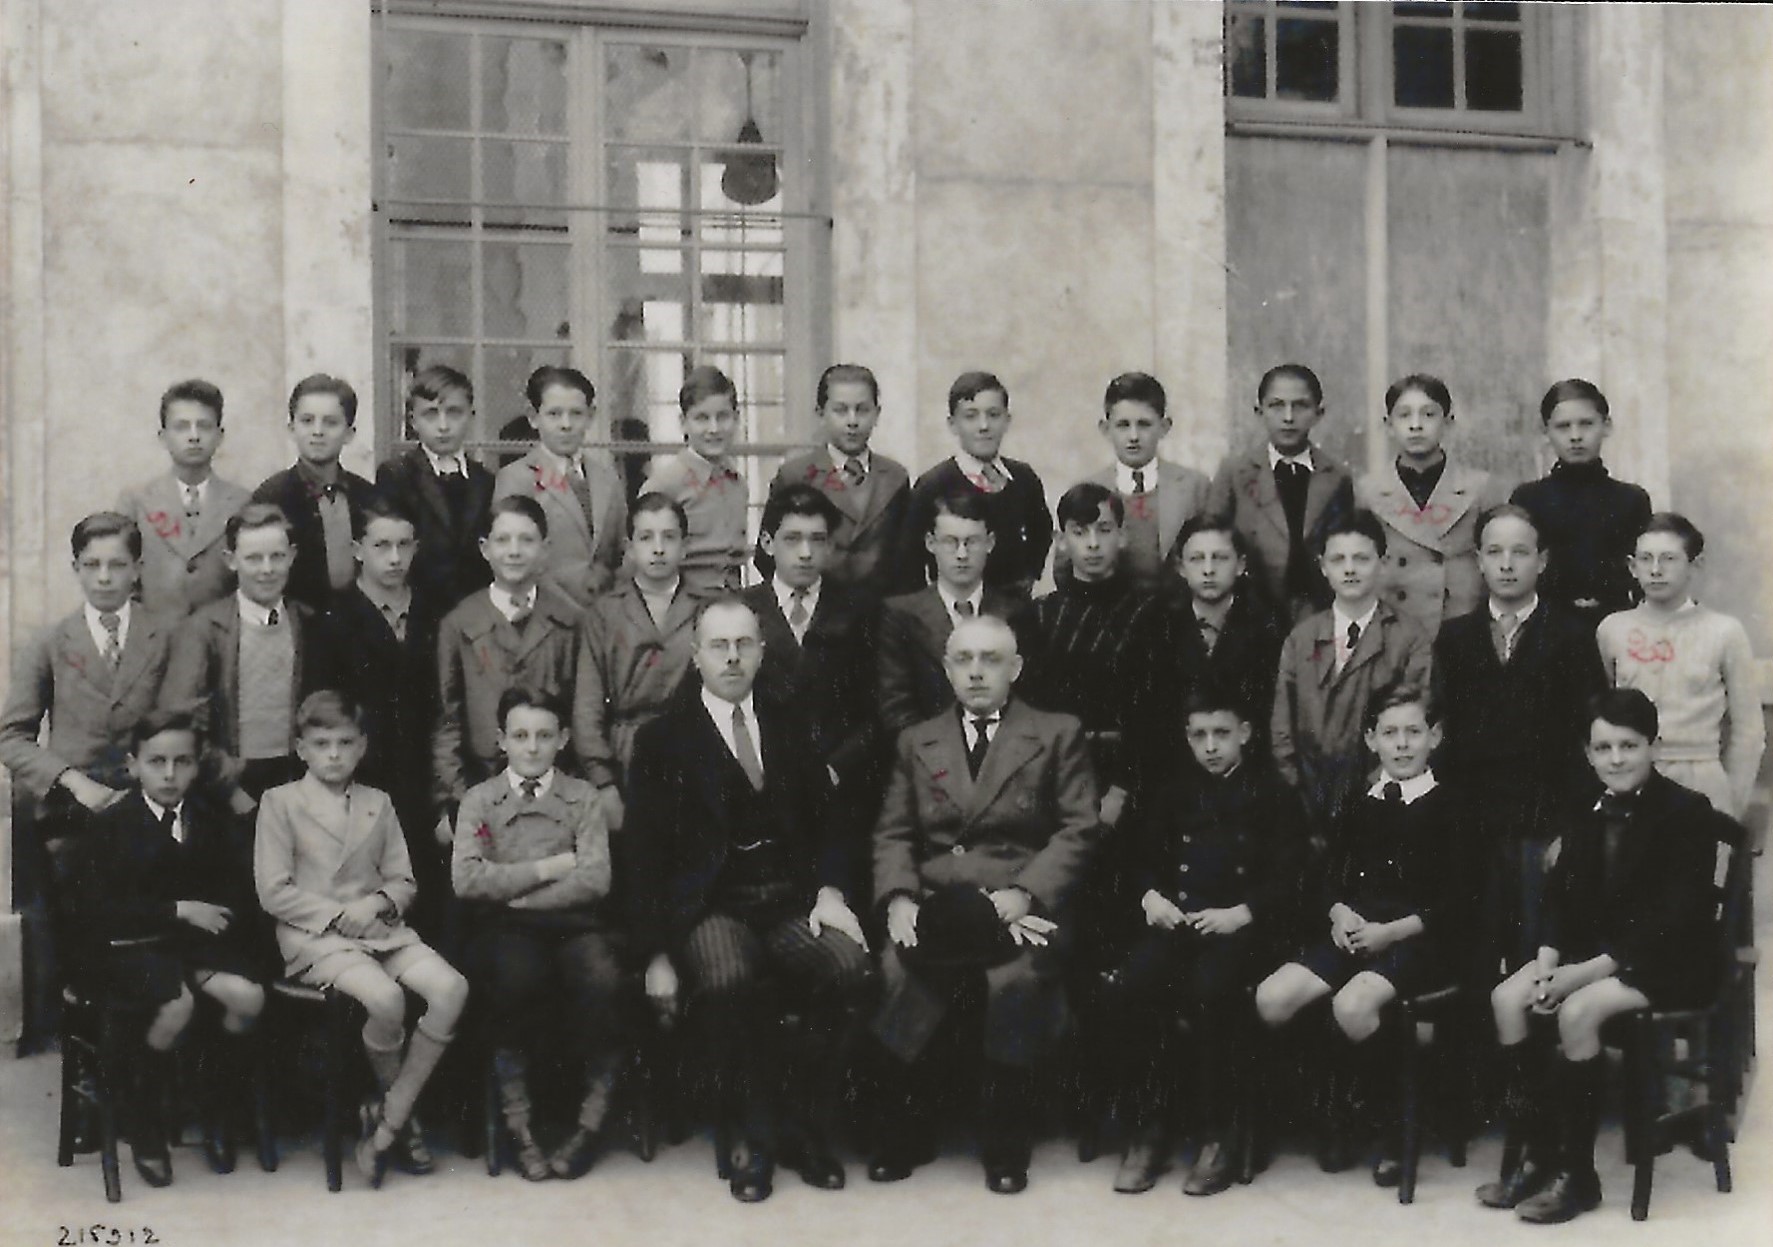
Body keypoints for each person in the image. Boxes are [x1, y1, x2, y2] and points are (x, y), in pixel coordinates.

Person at [627, 598, 872, 1203]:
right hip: (712, 906)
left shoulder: (791, 724)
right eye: (719, 646)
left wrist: (832, 892)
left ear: (762, 651)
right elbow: (643, 858)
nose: (732, 657)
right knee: (729, 980)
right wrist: (655, 953)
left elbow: (832, 823)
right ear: (696, 655)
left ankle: (802, 1122)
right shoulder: (662, 740)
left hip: (790, 900)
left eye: (744, 644)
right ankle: (753, 1135)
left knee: (851, 970)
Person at [869, 614, 1104, 1194]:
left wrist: (1024, 893)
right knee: (900, 971)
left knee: (1014, 982)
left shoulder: (1056, 732)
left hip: (1022, 903)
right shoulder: (916, 740)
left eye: (991, 659)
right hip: (937, 904)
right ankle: (906, 1131)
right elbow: (894, 833)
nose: (977, 672)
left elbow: (1080, 828)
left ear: (1015, 668)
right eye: (964, 660)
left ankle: (1005, 1143)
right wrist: (898, 898)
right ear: (948, 670)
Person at [1479, 689, 1731, 1223]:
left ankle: (1579, 1176)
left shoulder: (1688, 812)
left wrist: (1578, 977)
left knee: (1577, 1010)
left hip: (1668, 963)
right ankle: (1539, 1154)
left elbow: (1674, 919)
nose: (1615, 759)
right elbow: (1559, 894)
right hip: (1591, 955)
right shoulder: (1585, 807)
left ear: (1653, 747)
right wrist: (1548, 959)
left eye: (1629, 746)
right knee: (1507, 997)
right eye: (1603, 747)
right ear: (1588, 753)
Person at [1255, 684, 1474, 1185]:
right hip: (1354, 932)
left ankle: (1393, 1120)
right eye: (1390, 733)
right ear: (1371, 739)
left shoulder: (1453, 805)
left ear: (1434, 737)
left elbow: (1460, 901)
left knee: (1353, 1006)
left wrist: (1390, 932)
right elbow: (1328, 874)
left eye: (1413, 733)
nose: (1402, 745)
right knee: (1273, 997)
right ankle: (1333, 1104)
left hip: (1419, 939)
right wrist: (1337, 913)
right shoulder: (1358, 799)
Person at [255, 691, 469, 1188]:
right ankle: (404, 1126)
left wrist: (376, 905)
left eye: (345, 743)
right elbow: (273, 890)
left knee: (451, 988)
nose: (334, 754)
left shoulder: (378, 802)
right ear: (301, 748)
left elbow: (404, 880)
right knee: (385, 998)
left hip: (380, 929)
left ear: (362, 747)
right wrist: (338, 916)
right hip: (317, 939)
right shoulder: (280, 802)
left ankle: (390, 1120)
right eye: (322, 743)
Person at [1098, 685, 1305, 1197]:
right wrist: (1150, 897)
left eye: (1221, 734)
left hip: (1244, 932)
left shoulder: (1273, 793)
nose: (1210, 746)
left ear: (1245, 735)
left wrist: (1243, 912)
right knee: (1131, 986)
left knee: (1211, 994)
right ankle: (1149, 1128)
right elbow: (1141, 857)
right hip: (1180, 924)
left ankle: (1220, 1133)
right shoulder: (1172, 791)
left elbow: (1292, 875)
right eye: (1199, 735)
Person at [67, 710, 270, 1185]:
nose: (169, 774)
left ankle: (217, 1102)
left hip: (195, 949)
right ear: (133, 766)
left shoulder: (211, 822)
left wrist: (210, 921)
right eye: (157, 762)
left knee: (249, 996)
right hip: (127, 949)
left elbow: (235, 894)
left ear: (197, 767)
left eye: (182, 762)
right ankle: (144, 1121)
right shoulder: (111, 825)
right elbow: (94, 911)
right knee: (174, 1003)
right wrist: (175, 909)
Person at [453, 687, 623, 1182]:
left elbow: (594, 877)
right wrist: (549, 866)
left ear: (563, 739)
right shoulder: (480, 800)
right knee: (515, 979)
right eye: (521, 736)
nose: (532, 747)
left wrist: (522, 897)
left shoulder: (582, 798)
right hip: (505, 933)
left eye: (544, 736)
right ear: (501, 739)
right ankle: (518, 1126)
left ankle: (589, 1125)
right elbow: (467, 878)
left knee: (602, 978)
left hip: (573, 925)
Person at [1433, 504, 1605, 974]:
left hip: (1542, 823)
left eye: (1520, 552)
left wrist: (1568, 830)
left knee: (1537, 954)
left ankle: (1535, 1047)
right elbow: (1446, 740)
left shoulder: (1571, 634)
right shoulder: (1454, 639)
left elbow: (1588, 742)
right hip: (1475, 825)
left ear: (1542, 560)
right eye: (1494, 552)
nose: (1506, 564)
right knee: (1476, 953)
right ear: (1479, 560)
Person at [742, 484, 884, 899]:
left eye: (817, 540)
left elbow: (880, 707)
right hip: (767, 788)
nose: (805, 553)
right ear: (768, 543)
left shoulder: (860, 611)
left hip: (843, 784)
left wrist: (840, 765)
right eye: (792, 539)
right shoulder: (744, 611)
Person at [158, 504, 340, 806]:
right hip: (231, 784)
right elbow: (180, 721)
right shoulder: (204, 629)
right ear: (231, 560)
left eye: (277, 557)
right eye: (253, 558)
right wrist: (228, 787)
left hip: (298, 779)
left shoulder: (309, 623)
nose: (266, 569)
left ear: (292, 556)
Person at [323, 497, 448, 934]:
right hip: (362, 780)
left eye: (404, 545)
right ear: (358, 549)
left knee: (427, 902)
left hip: (422, 781)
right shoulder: (335, 616)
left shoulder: (433, 612)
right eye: (381, 546)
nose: (395, 558)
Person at [0, 513, 175, 825]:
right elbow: (11, 737)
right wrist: (72, 781)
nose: (104, 578)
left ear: (137, 570)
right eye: (92, 565)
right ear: (76, 569)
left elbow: (180, 722)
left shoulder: (164, 637)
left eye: (117, 565)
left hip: (147, 793)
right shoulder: (49, 641)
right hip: (70, 797)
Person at [1270, 510, 1432, 837]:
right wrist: (1299, 795)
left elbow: (1415, 722)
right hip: (1308, 804)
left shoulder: (1408, 637)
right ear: (1323, 566)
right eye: (1338, 558)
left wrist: (1369, 796)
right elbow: (1282, 730)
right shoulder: (1301, 639)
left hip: (1379, 806)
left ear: (1382, 563)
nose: (1349, 569)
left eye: (1361, 558)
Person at [433, 496, 587, 838]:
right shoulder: (460, 623)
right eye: (503, 540)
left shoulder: (570, 621)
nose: (514, 551)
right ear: (485, 549)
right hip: (481, 784)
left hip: (554, 788)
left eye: (527, 540)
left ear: (545, 549)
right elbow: (448, 718)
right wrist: (456, 798)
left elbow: (581, 710)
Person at [1595, 513, 1764, 819]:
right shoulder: (1612, 629)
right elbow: (1602, 714)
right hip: (1632, 782)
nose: (1656, 570)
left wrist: (1729, 804)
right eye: (1646, 559)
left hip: (1702, 782)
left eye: (1669, 558)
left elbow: (1748, 730)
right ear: (1633, 567)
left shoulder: (1724, 631)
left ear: (1694, 565)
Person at [571, 493, 704, 807]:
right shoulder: (605, 612)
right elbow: (587, 705)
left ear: (685, 545)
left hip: (695, 748)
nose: (658, 548)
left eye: (669, 537)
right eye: (646, 538)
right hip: (626, 755)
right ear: (629, 546)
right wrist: (602, 781)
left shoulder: (705, 606)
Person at [1357, 374, 1510, 640]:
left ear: (1448, 422)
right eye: (1404, 415)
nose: (1416, 425)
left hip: (1462, 626)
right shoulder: (1367, 491)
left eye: (1429, 415)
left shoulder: (1480, 488)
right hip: (1393, 630)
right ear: (1388, 425)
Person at [1205, 363, 1354, 626]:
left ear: (1318, 413)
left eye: (1300, 406)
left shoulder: (1337, 477)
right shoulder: (1234, 472)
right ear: (1259, 411)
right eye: (1276, 405)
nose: (1288, 417)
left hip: (1316, 613)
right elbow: (1212, 538)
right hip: (1248, 614)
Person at [1510, 380, 1652, 634]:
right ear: (1546, 432)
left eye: (1586, 424)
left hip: (1616, 628)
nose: (1575, 436)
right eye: (1563, 427)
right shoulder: (1529, 498)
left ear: (1606, 426)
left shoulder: (1631, 499)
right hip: (1546, 634)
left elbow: (1643, 574)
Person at [877, 491, 1021, 741]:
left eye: (972, 542)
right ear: (931, 543)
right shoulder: (900, 616)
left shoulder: (1016, 612)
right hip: (929, 764)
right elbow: (896, 708)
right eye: (950, 542)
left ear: (990, 543)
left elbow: (1026, 702)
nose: (962, 554)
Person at [902, 371, 1053, 601]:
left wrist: (1029, 575)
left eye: (993, 415)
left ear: (1007, 420)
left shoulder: (1023, 479)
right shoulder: (933, 485)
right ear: (953, 424)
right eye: (970, 416)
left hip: (1013, 608)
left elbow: (1041, 531)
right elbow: (911, 558)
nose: (984, 426)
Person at [769, 363, 915, 599]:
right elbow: (768, 557)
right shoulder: (795, 475)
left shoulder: (895, 478)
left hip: (882, 617)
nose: (852, 421)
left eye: (862, 410)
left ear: (877, 413)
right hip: (817, 615)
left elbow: (910, 564)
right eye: (840, 410)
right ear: (821, 413)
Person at [1057, 371, 1209, 592]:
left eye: (1144, 424)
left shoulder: (1194, 487)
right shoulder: (1088, 490)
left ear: (1164, 427)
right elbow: (1064, 568)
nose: (1134, 436)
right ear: (1106, 429)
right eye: (1123, 425)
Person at [115, 378, 251, 618]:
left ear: (220, 436)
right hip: (155, 640)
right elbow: (122, 577)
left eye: (204, 426)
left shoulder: (242, 502)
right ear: (163, 436)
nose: (194, 436)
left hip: (219, 641)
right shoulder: (136, 501)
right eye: (181, 427)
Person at [492, 366, 626, 609]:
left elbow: (619, 554)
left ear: (590, 415)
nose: (566, 424)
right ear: (533, 417)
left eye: (576, 414)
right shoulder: (516, 478)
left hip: (603, 619)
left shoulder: (607, 478)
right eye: (554, 414)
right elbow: (512, 560)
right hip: (544, 617)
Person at [252, 374, 377, 613]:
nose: (317, 431)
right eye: (307, 421)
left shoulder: (366, 495)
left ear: (349, 433)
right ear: (292, 428)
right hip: (296, 626)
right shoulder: (271, 497)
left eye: (330, 422)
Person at [375, 364, 495, 613]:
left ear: (471, 415)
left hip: (475, 613)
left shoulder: (484, 480)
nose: (443, 425)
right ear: (413, 421)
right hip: (421, 611)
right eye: (430, 414)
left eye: (454, 413)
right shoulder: (397, 475)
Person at [1163, 515, 1282, 753]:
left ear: (1240, 565)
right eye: (1196, 559)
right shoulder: (1158, 627)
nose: (1208, 570)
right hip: (1173, 768)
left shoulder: (1267, 628)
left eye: (1219, 558)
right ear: (1181, 568)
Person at [638, 366, 751, 594]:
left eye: (723, 417)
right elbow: (643, 562)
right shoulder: (665, 484)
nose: (714, 429)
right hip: (684, 607)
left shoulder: (737, 482)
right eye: (701, 418)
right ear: (683, 423)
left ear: (736, 418)